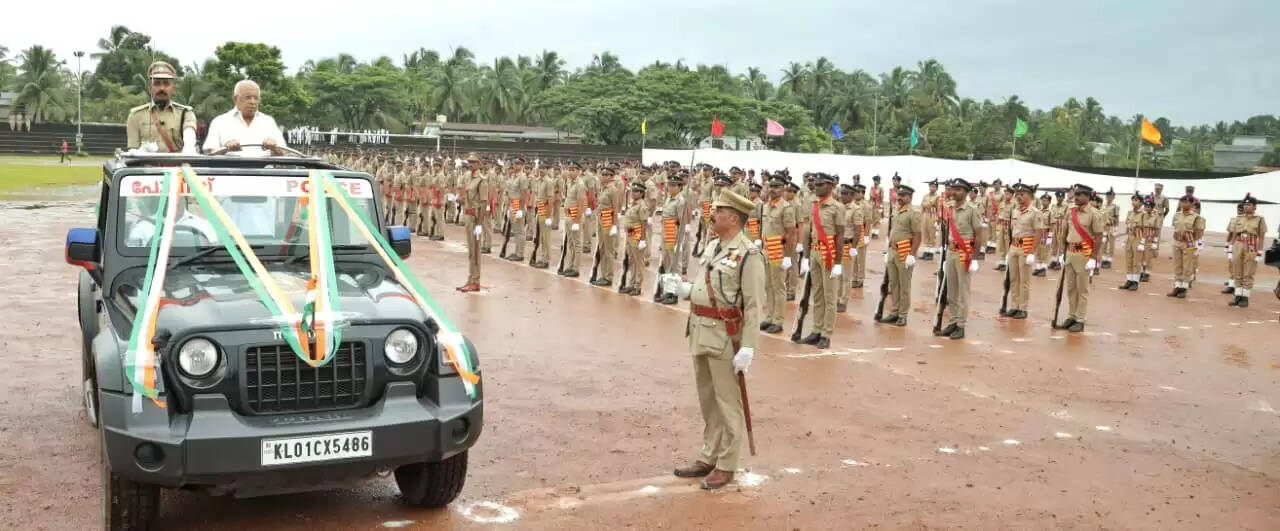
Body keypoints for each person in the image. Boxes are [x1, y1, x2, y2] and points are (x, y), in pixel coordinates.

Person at [671, 190, 764, 490]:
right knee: (708, 401)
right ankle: (708, 455)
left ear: (733, 218)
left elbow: (753, 305)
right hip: (699, 330)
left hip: (725, 337)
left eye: (719, 212)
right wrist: (685, 290)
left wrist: (748, 346)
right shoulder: (713, 245)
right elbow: (705, 284)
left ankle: (727, 464)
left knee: (727, 403)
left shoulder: (749, 254)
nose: (713, 216)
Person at [794, 173, 844, 349]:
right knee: (817, 294)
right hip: (815, 252)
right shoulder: (813, 205)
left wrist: (838, 262)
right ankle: (816, 329)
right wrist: (806, 257)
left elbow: (840, 236)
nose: (817, 187)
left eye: (821, 184)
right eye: (815, 184)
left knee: (830, 296)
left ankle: (826, 333)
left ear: (830, 187)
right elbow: (808, 232)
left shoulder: (837, 207)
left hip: (829, 253)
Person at [936, 178, 984, 340]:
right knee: (952, 291)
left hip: (965, 253)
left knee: (963, 292)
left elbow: (979, 236)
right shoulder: (950, 207)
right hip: (951, 252)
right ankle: (953, 321)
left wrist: (975, 258)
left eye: (958, 189)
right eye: (953, 189)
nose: (954, 192)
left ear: (965, 192)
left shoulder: (972, 209)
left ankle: (961, 325)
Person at [1053, 185, 1104, 332]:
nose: (1076, 197)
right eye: (1075, 194)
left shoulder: (1094, 214)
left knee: (1082, 289)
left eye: (1080, 195)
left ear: (1087, 197)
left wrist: (1093, 258)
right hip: (1070, 253)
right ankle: (1072, 315)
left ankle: (1080, 319)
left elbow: (1098, 237)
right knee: (1071, 288)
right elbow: (1064, 233)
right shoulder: (1071, 212)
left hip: (1084, 254)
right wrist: (1062, 253)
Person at [126, 61, 198, 154]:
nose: (162, 88)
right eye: (157, 83)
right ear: (149, 87)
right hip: (147, 167)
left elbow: (189, 135)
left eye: (166, 84)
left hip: (177, 166)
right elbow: (133, 149)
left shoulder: (185, 113)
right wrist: (141, 151)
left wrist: (189, 147)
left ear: (173, 88)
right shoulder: (136, 115)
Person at [203, 80, 287, 156]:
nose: (253, 102)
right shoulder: (219, 122)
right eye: (248, 97)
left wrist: (274, 148)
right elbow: (209, 153)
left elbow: (285, 153)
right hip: (230, 171)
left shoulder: (268, 122)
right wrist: (225, 148)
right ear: (235, 99)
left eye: (256, 98)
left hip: (266, 171)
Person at [877, 184, 922, 327]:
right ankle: (894, 312)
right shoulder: (897, 211)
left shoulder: (913, 213)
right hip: (893, 251)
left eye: (903, 196)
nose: (900, 198)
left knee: (904, 285)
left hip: (904, 251)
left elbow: (917, 235)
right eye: (899, 195)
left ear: (910, 197)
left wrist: (912, 254)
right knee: (893, 284)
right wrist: (887, 249)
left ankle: (903, 315)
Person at [759, 174, 797, 332]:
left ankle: (778, 320)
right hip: (766, 249)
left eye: (776, 187)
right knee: (767, 285)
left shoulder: (786, 208)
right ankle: (769, 317)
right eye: (771, 187)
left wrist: (788, 256)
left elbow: (790, 233)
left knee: (778, 286)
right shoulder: (766, 206)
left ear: (783, 189)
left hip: (778, 250)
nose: (772, 189)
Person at [1002, 182, 1042, 319]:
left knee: (1024, 280)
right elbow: (1012, 230)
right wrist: (1009, 249)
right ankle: (1014, 306)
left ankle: (1023, 308)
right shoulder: (1015, 210)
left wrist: (1032, 252)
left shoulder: (1035, 212)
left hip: (1026, 247)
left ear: (1030, 196)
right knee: (1014, 279)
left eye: (1022, 194)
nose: (1018, 196)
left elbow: (1038, 232)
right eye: (1017, 194)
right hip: (1014, 246)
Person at [1227, 194, 1268, 308]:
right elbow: (1234, 233)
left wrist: (1260, 251)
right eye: (1245, 205)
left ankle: (1245, 297)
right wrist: (1231, 247)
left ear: (1254, 206)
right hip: (1238, 244)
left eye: (1249, 204)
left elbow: (1261, 235)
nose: (1246, 207)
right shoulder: (1239, 218)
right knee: (1237, 271)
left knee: (1248, 272)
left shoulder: (1259, 219)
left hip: (1251, 244)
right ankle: (1238, 296)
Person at [457, 154, 489, 293]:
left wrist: (479, 224)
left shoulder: (481, 181)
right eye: (469, 162)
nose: (470, 164)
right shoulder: (469, 178)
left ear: (479, 164)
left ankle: (475, 281)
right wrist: (460, 200)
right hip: (468, 216)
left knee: (475, 252)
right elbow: (469, 198)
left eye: (473, 162)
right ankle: (470, 279)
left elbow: (483, 203)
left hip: (476, 218)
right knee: (471, 251)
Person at [656, 172, 689, 304]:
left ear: (680, 187)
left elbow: (682, 222)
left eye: (674, 185)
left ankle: (674, 294)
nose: (670, 187)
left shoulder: (681, 201)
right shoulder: (669, 198)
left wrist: (680, 241)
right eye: (669, 185)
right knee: (668, 263)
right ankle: (668, 291)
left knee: (676, 266)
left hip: (674, 235)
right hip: (666, 233)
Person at [1167, 195, 1205, 298]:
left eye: (1186, 202)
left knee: (1187, 266)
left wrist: (1196, 244)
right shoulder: (1177, 215)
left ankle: (1184, 288)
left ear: (1192, 204)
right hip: (1177, 241)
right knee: (1177, 265)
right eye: (1182, 202)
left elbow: (1199, 232)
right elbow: (1175, 227)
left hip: (1188, 242)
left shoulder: (1196, 217)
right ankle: (1177, 286)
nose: (1184, 204)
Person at [620, 182, 650, 295]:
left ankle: (638, 286)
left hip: (637, 236)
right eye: (632, 191)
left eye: (636, 191)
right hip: (630, 235)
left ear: (642, 193)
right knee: (631, 261)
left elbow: (644, 224)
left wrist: (642, 240)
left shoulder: (642, 206)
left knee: (638, 262)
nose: (633, 193)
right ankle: (631, 283)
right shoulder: (633, 204)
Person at [560, 161, 587, 278]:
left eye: (573, 169)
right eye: (569, 169)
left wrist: (577, 220)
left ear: (579, 171)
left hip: (575, 216)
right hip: (569, 215)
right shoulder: (570, 182)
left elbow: (581, 204)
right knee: (570, 243)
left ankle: (576, 268)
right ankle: (570, 265)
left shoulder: (580, 185)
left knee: (576, 243)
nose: (571, 171)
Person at [920, 180, 941, 259]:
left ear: (936, 188)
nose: (932, 188)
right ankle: (926, 251)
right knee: (925, 232)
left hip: (933, 215)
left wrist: (938, 219)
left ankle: (931, 253)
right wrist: (920, 215)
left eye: (934, 187)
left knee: (932, 233)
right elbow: (922, 205)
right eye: (931, 186)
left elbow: (939, 208)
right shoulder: (926, 195)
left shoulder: (937, 197)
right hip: (925, 215)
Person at [1100, 188, 1119, 268]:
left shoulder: (1115, 207)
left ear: (1113, 197)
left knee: (1111, 244)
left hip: (1111, 226)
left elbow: (1116, 218)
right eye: (1108, 196)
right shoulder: (1103, 206)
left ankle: (1109, 260)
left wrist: (1115, 228)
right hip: (1103, 227)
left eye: (1111, 196)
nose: (1109, 198)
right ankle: (1103, 259)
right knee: (1103, 243)